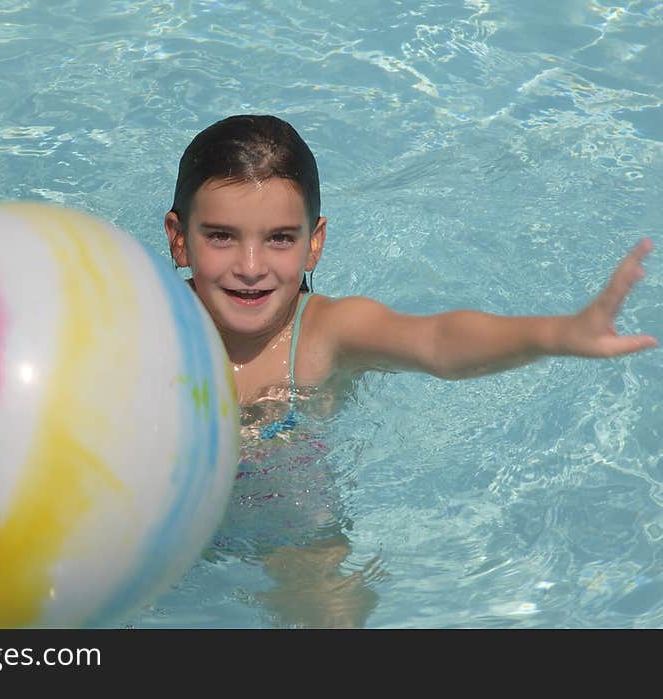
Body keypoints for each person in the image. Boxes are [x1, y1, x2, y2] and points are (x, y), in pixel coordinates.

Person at [164, 114, 657, 627]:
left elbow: (437, 341)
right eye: (221, 236)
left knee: (335, 619)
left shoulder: (327, 334)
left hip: (294, 534)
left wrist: (555, 335)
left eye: (280, 239)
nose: (250, 265)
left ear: (315, 242)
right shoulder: (149, 326)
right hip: (163, 518)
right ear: (180, 238)